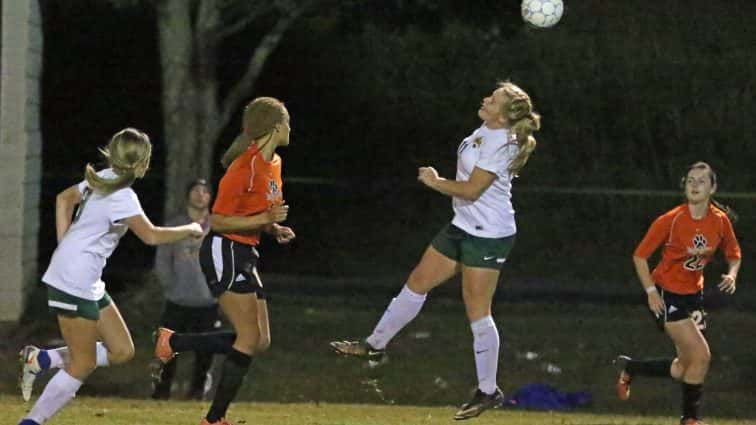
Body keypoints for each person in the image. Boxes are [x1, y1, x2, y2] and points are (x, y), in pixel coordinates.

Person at [330, 81, 541, 421]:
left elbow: (472, 190)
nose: (485, 99)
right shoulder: (487, 128)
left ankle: (488, 390)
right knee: (417, 282)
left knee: (477, 310)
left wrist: (435, 181)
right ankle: (375, 344)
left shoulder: (502, 142)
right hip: (462, 226)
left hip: (488, 235)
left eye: (494, 100)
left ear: (503, 117)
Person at [17, 128, 204, 425]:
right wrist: (191, 229)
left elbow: (64, 199)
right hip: (74, 280)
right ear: (142, 163)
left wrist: (66, 245)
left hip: (85, 279)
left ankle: (42, 360)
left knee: (121, 350)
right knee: (84, 363)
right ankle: (31, 422)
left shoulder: (101, 178)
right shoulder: (122, 195)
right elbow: (151, 236)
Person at [152, 97, 294, 425]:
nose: (290, 128)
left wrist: (273, 227)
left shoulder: (274, 164)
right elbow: (217, 221)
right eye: (287, 122)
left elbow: (255, 214)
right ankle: (214, 419)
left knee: (260, 341)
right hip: (223, 250)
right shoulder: (243, 167)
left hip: (245, 252)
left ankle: (173, 340)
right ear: (275, 126)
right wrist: (264, 217)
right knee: (247, 338)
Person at [616, 161, 741, 425]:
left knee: (685, 366)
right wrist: (650, 291)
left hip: (693, 296)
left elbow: (734, 253)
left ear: (713, 188)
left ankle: (633, 368)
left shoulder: (719, 221)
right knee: (702, 356)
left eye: (701, 181)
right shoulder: (671, 220)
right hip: (666, 294)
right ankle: (690, 420)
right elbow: (639, 256)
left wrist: (732, 274)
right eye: (690, 181)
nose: (695, 185)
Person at [150, 178, 219, 400]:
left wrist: (218, 290)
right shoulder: (175, 225)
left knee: (205, 351)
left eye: (205, 191)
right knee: (168, 348)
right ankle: (162, 391)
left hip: (208, 302)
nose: (200, 194)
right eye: (195, 190)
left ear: (210, 197)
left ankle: (197, 392)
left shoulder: (218, 227)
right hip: (177, 300)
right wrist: (171, 286)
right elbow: (162, 260)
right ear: (188, 196)